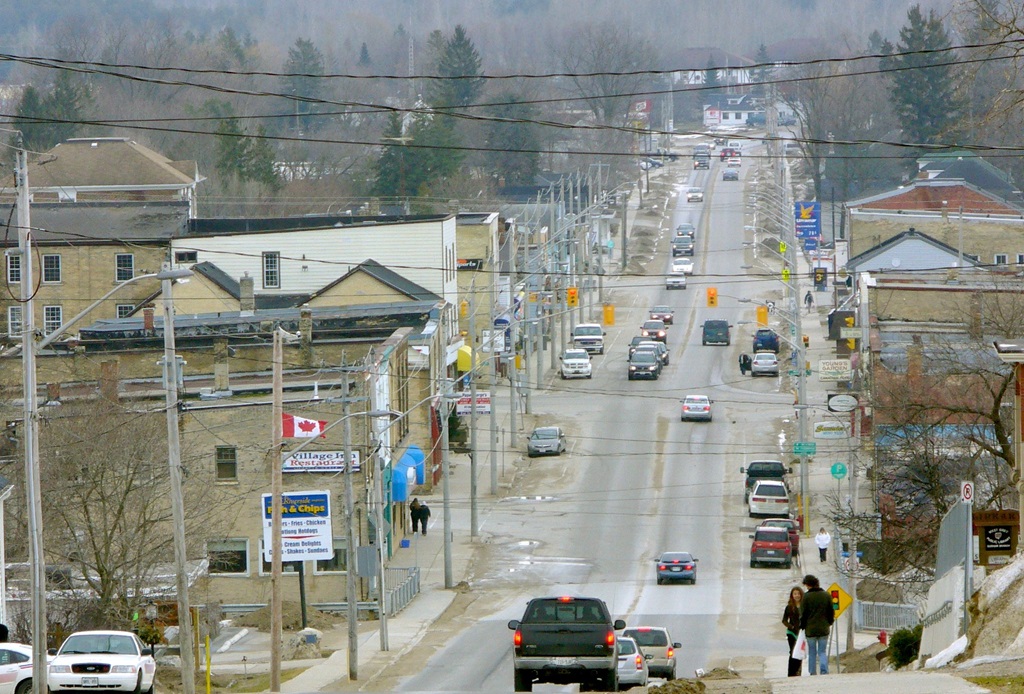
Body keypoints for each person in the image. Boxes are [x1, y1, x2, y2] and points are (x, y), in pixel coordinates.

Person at [799, 574, 834, 675]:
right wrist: (829, 622)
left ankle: (812, 671)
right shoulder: (826, 595)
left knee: (812, 652)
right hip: (824, 628)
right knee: (822, 652)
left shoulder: (806, 597)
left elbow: (803, 614)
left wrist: (802, 625)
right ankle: (824, 671)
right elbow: (831, 611)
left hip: (810, 630)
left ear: (809, 585)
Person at [782, 586, 804, 677]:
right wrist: (791, 627)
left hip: (802, 633)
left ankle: (798, 672)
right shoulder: (789, 607)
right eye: (795, 594)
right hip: (791, 633)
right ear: (792, 595)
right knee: (792, 652)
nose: (797, 596)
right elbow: (784, 620)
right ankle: (791, 673)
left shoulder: (804, 606)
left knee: (800, 653)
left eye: (798, 594)